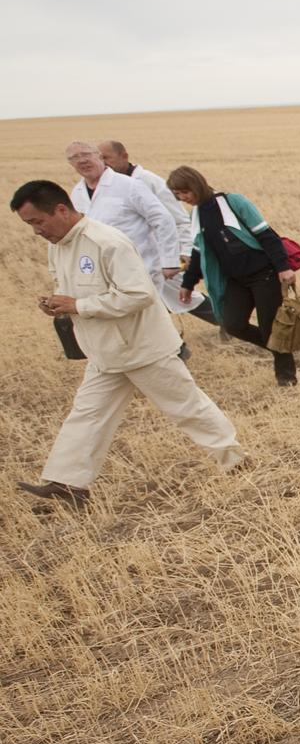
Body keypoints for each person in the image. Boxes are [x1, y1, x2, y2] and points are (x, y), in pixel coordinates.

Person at [12, 180, 243, 507]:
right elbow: (73, 290)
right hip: (104, 351)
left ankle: (238, 462)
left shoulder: (107, 242)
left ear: (61, 209)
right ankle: (67, 484)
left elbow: (139, 295)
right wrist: (58, 303)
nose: (36, 230)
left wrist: (78, 306)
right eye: (29, 225)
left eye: (38, 221)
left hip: (142, 347)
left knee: (186, 407)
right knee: (87, 415)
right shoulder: (58, 245)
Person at [169, 166, 300, 386]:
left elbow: (267, 236)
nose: (183, 198)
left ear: (197, 184)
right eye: (178, 194)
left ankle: (286, 377)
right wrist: (188, 284)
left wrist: (283, 267)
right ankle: (280, 347)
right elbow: (198, 252)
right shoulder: (197, 215)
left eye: (185, 192)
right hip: (235, 280)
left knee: (270, 327)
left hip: (264, 275)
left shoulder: (233, 202)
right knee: (232, 324)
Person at [64, 141, 179, 292]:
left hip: (139, 268)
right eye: (74, 157)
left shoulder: (129, 185)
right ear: (71, 164)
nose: (82, 160)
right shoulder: (77, 193)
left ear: (99, 156)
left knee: (144, 315)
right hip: (100, 274)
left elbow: (163, 219)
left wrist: (169, 261)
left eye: (86, 154)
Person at [99, 140, 191, 268]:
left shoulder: (149, 181)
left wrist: (185, 251)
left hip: (161, 261)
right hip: (123, 261)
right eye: (99, 158)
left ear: (124, 156)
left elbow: (180, 220)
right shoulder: (101, 187)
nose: (103, 163)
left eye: (106, 158)